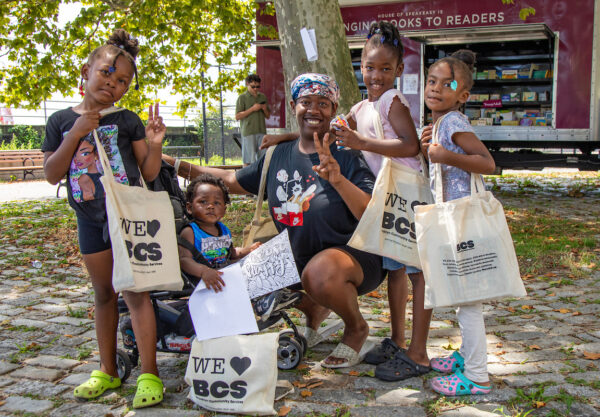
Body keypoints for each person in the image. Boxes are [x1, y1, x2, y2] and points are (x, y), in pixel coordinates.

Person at [164, 73, 386, 368]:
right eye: (306, 102)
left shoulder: (346, 154)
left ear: (334, 110)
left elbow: (370, 213)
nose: (314, 110)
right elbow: (229, 180)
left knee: (319, 272)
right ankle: (315, 308)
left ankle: (356, 327)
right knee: (243, 279)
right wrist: (174, 164)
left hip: (355, 259)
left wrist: (338, 179)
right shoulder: (277, 155)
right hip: (299, 255)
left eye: (323, 103)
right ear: (294, 105)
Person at [260, 22, 430, 381]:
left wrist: (362, 145)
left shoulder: (392, 102)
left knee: (415, 274)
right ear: (361, 68)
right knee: (397, 271)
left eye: (386, 68)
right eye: (370, 67)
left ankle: (417, 349)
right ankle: (397, 340)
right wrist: (290, 134)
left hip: (406, 195)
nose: (377, 75)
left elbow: (411, 146)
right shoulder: (361, 105)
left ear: (399, 70)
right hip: (385, 197)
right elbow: (332, 129)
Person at [42, 29, 166, 408]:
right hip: (89, 220)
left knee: (136, 293)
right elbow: (50, 172)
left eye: (122, 81)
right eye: (105, 74)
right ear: (86, 71)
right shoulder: (61, 119)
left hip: (126, 219)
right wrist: (75, 134)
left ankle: (149, 373)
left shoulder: (127, 120)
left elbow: (147, 172)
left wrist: (156, 143)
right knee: (103, 294)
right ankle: (108, 369)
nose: (112, 83)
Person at [420, 49, 496, 395]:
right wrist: (431, 150)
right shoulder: (442, 122)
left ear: (462, 95)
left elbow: (486, 162)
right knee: (464, 295)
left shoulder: (452, 121)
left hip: (463, 220)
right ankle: (466, 355)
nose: (435, 88)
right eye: (431, 81)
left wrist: (444, 154)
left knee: (468, 299)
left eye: (446, 84)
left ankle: (478, 375)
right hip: (455, 219)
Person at [178, 173, 261, 292]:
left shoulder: (223, 230)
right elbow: (184, 260)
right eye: (203, 202)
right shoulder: (190, 231)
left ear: (224, 210)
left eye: (216, 203)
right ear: (189, 208)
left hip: (224, 279)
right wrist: (203, 271)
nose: (210, 206)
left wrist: (248, 250)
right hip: (202, 284)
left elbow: (231, 254)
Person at [236, 74, 271, 166]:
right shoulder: (242, 97)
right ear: (247, 84)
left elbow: (268, 116)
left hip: (261, 131)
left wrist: (264, 109)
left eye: (258, 87)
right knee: (248, 160)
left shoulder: (262, 97)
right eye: (253, 87)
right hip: (248, 132)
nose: (256, 89)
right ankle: (246, 179)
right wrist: (252, 109)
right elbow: (237, 116)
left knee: (262, 159)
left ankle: (261, 179)